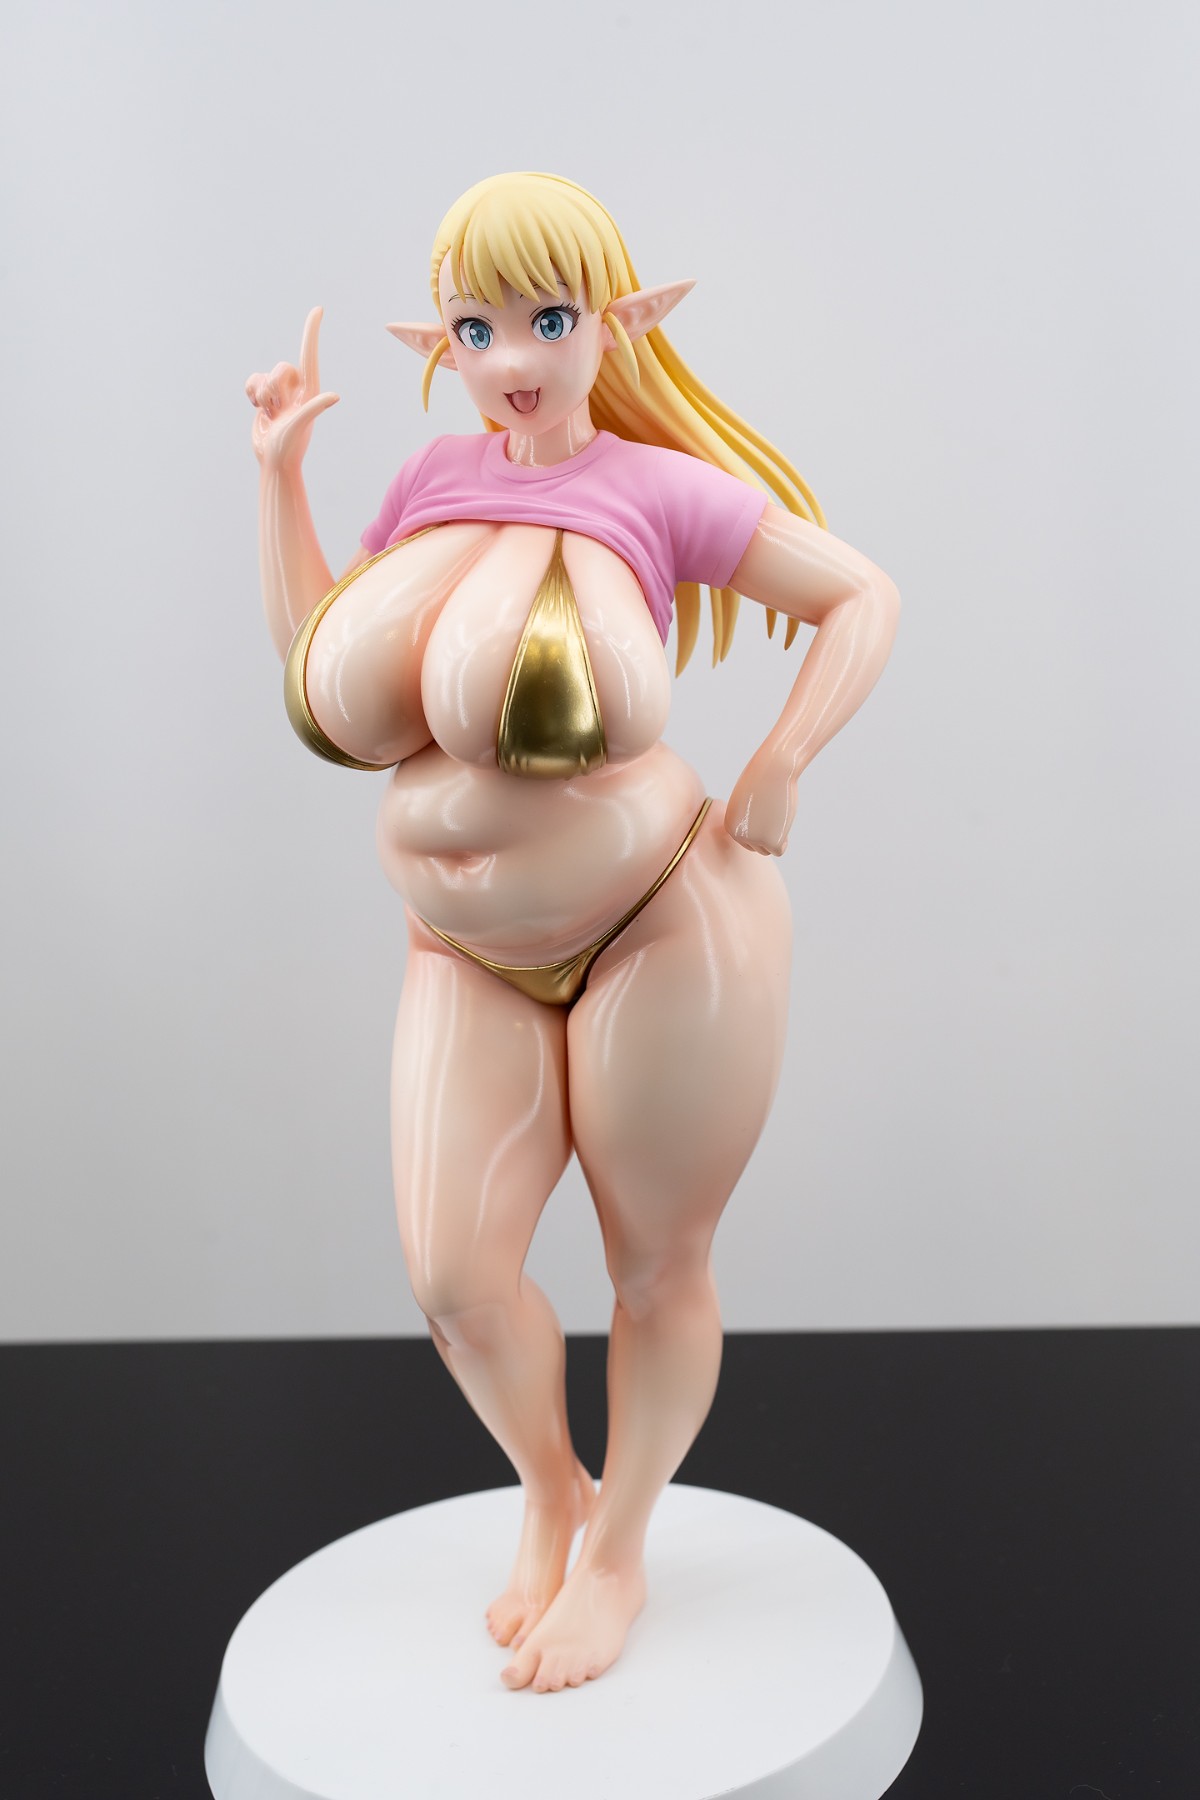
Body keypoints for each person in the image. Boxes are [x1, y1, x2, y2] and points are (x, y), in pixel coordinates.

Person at [245, 171, 899, 1694]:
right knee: (454, 1278)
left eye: (548, 317)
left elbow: (861, 595)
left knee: (654, 1264)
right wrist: (278, 480)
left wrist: (785, 757)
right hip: (458, 949)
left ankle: (618, 1555)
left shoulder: (655, 490)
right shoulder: (428, 477)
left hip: (666, 924)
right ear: (442, 343)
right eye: (477, 326)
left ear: (620, 320)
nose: (514, 356)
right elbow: (318, 661)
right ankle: (555, 1487)